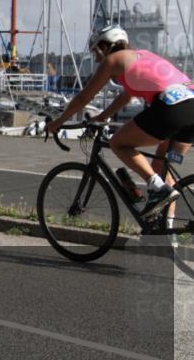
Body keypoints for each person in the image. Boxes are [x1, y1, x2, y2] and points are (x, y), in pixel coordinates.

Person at [49, 24, 194, 220]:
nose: (96, 58)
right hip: (190, 109)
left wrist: (58, 122)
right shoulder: (141, 56)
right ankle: (167, 232)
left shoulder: (113, 60)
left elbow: (84, 98)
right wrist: (102, 116)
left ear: (106, 46)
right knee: (161, 165)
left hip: (171, 108)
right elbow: (126, 97)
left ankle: (157, 189)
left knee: (118, 143)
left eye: (96, 51)